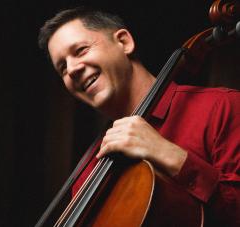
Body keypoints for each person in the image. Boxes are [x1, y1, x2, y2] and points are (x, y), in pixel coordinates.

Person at [38, 7, 240, 226]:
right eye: (62, 68)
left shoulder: (222, 107)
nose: (72, 69)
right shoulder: (90, 172)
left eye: (80, 50)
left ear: (124, 42)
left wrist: (171, 155)